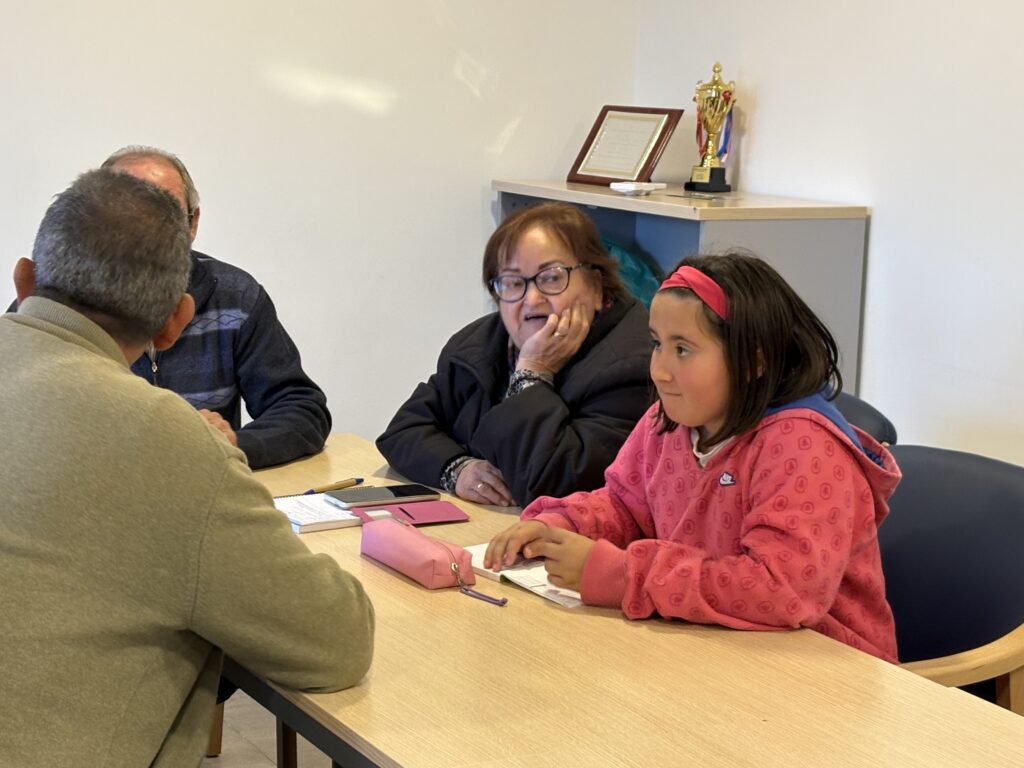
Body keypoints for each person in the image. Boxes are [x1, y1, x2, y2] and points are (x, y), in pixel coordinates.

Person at [0, 170, 374, 767]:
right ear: (175, 320)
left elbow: (299, 404)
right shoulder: (166, 440)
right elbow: (335, 643)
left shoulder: (239, 301)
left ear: (24, 280)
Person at [485, 252, 901, 662]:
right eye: (656, 344)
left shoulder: (803, 445)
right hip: (714, 652)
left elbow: (781, 591)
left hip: (824, 676)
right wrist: (558, 526)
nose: (660, 371)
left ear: (753, 360)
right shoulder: (666, 422)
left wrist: (623, 576)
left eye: (682, 349)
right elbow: (625, 507)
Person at [376, 202, 652, 507]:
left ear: (597, 288)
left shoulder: (632, 366)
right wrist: (457, 470)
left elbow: (550, 485)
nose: (532, 299)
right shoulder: (479, 344)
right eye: (512, 282)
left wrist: (533, 373)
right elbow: (403, 431)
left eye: (551, 277)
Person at [103, 145, 330, 469]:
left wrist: (233, 444)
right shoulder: (56, 305)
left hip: (205, 489)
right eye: (125, 212)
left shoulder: (236, 297)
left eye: (164, 213)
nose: (145, 231)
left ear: (192, 223)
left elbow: (302, 410)